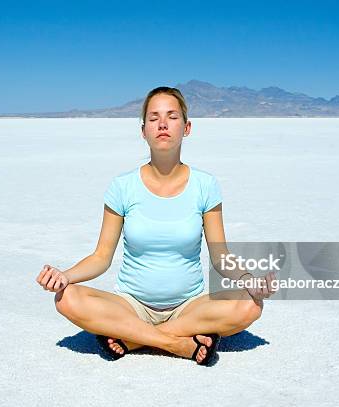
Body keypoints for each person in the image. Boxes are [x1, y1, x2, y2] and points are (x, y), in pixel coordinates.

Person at [36, 86, 276, 365]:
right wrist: (65, 276)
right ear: (143, 131)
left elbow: (221, 257)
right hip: (131, 305)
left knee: (249, 304)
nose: (162, 124)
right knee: (67, 298)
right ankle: (176, 343)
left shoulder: (205, 185)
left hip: (190, 306)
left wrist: (249, 281)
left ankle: (132, 339)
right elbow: (101, 257)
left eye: (172, 116)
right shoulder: (122, 187)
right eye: (154, 118)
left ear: (187, 128)